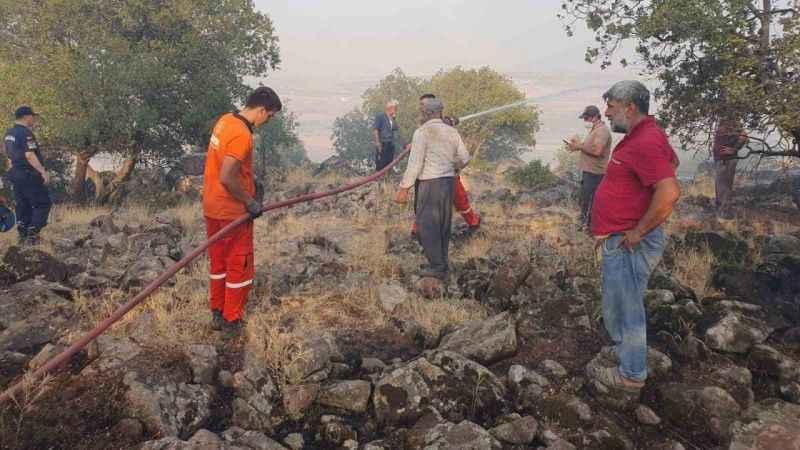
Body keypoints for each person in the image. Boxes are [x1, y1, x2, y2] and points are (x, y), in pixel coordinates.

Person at [589, 81, 681, 394]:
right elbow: (672, 163)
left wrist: (638, 229)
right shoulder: (643, 135)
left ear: (630, 107)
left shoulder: (645, 140)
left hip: (630, 241)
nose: (606, 112)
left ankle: (631, 374)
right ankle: (624, 350)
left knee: (628, 306)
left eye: (612, 106)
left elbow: (669, 191)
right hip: (622, 237)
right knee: (618, 301)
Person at [203, 87, 282, 336]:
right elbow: (227, 176)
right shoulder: (242, 134)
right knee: (239, 264)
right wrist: (249, 201)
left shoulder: (225, 121)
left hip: (212, 207)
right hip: (232, 212)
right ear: (260, 110)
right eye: (269, 116)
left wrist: (250, 181)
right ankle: (232, 320)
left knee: (219, 263)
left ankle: (217, 311)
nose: (267, 121)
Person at [395, 98, 470, 292]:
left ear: (427, 113)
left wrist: (404, 188)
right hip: (448, 183)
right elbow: (464, 158)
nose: (420, 113)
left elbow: (415, 164)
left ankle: (436, 267)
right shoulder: (452, 132)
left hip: (429, 183)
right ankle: (442, 264)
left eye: (421, 110)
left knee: (426, 226)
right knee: (443, 224)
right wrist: (454, 167)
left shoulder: (422, 133)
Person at [409, 94, 480, 235]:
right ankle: (416, 230)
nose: (421, 108)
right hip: (428, 174)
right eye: (421, 105)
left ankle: (473, 222)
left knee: (459, 198)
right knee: (422, 203)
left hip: (447, 172)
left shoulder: (439, 124)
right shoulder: (424, 124)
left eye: (424, 105)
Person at [3, 106, 51, 245]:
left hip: (15, 173)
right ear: (26, 117)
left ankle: (23, 236)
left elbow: (8, 155)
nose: (34, 119)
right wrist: (43, 172)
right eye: (32, 116)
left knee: (23, 204)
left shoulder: (9, 133)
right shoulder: (25, 133)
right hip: (29, 173)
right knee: (43, 204)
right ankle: (32, 234)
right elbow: (29, 154)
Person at [567, 105, 612, 229]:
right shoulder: (595, 130)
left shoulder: (601, 131)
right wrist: (576, 146)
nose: (585, 121)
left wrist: (580, 147)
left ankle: (589, 228)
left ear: (593, 117)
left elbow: (597, 151)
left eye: (586, 118)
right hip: (590, 172)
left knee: (590, 202)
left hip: (595, 173)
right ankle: (585, 226)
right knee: (586, 201)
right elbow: (590, 148)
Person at [712, 118, 748, 219]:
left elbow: (744, 135)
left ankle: (726, 216)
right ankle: (721, 214)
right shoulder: (723, 119)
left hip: (727, 160)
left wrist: (734, 149)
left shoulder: (731, 119)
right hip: (721, 160)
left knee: (724, 188)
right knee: (721, 187)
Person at [373, 100, 399, 172]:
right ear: (390, 108)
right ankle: (379, 178)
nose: (396, 109)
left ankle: (387, 178)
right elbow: (375, 129)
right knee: (381, 162)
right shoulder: (380, 116)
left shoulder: (392, 117)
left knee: (389, 161)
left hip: (391, 143)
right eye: (395, 108)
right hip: (383, 142)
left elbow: (395, 128)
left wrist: (394, 119)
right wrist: (378, 143)